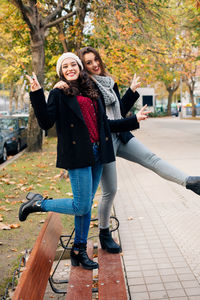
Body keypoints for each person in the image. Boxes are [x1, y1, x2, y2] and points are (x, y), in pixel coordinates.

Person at [55, 46, 200, 254]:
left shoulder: (108, 82)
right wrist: (133, 121)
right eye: (89, 62)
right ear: (82, 67)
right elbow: (103, 124)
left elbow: (118, 111)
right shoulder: (86, 88)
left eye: (96, 59)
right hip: (104, 143)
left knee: (152, 158)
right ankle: (104, 233)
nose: (95, 64)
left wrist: (131, 92)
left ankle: (191, 182)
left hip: (121, 136)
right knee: (110, 191)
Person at [18, 52, 149, 269]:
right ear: (61, 71)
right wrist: (37, 93)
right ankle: (38, 204)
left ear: (79, 67)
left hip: (98, 153)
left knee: (86, 207)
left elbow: (105, 124)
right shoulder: (59, 93)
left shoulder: (91, 90)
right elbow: (45, 122)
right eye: (65, 66)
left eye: (73, 64)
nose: (70, 68)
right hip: (77, 155)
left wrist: (133, 120)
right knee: (81, 205)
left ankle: (78, 250)